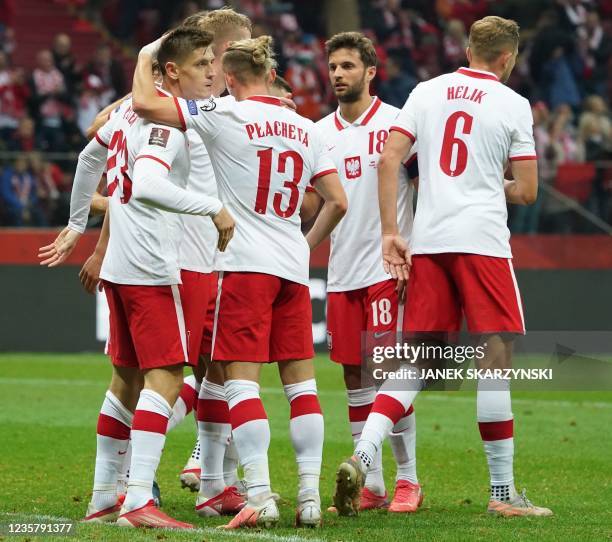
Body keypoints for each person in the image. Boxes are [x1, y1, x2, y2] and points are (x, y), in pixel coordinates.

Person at [334, 15, 553, 518]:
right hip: (482, 242)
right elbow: (528, 190)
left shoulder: (426, 92)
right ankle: (503, 495)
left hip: (428, 242)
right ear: (507, 58)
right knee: (495, 357)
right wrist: (485, 184)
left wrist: (392, 232)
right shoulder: (514, 104)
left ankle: (364, 454)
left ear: (469, 47)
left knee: (412, 360)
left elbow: (389, 160)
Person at [132, 34, 347, 528]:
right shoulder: (307, 127)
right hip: (292, 266)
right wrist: (303, 243)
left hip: (243, 265)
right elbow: (337, 201)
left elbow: (145, 106)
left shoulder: (226, 114)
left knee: (240, 383)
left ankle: (261, 496)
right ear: (271, 74)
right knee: (302, 386)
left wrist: (147, 56)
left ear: (229, 78)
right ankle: (309, 498)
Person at [39, 27, 234, 529]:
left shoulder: (128, 111)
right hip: (157, 262)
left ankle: (104, 496)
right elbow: (147, 184)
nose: (211, 72)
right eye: (201, 64)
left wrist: (77, 223)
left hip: (123, 264)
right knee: (167, 376)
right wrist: (213, 207)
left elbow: (88, 160)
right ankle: (138, 501)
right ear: (172, 72)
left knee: (125, 378)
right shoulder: (167, 122)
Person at [315, 31, 422, 515]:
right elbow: (313, 203)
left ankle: (409, 481)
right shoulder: (319, 133)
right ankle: (372, 485)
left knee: (387, 373)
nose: (338, 74)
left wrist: (414, 246)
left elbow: (426, 184)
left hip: (387, 268)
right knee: (355, 377)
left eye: (348, 66)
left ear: (371, 72)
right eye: (333, 66)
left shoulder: (399, 124)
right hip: (341, 272)